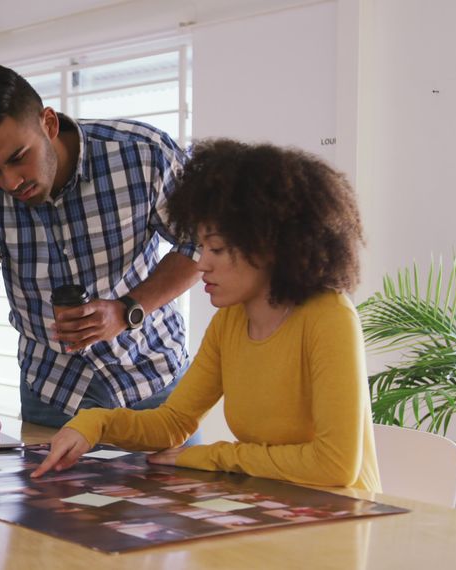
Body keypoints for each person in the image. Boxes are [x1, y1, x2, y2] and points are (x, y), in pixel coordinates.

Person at [32, 139, 382, 492]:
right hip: (271, 507)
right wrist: (94, 423)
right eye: (202, 247)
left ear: (269, 245)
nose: (201, 263)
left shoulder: (330, 317)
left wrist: (209, 457)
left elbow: (335, 465)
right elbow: (173, 422)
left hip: (343, 518)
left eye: (216, 249)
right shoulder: (230, 321)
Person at [0, 65, 200, 465]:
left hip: (154, 386)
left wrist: (127, 308)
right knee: (51, 528)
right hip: (53, 399)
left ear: (48, 123)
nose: (9, 182)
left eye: (17, 158)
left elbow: (201, 243)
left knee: (175, 525)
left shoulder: (143, 154)